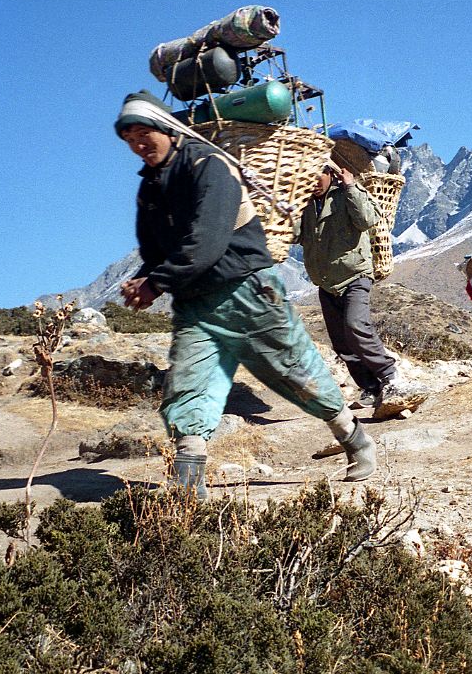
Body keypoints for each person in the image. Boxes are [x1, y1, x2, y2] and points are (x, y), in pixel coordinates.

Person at [113, 90, 375, 498]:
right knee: (187, 386)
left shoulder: (209, 165)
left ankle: (354, 439)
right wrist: (148, 278)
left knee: (295, 372)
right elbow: (154, 250)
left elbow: (208, 239)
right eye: (130, 141)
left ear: (166, 127)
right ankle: (187, 493)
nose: (139, 146)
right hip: (195, 303)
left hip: (247, 291)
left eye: (144, 133)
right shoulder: (150, 188)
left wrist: (156, 281)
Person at [295, 162, 400, 410]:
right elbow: (295, 235)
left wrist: (351, 186)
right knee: (341, 341)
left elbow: (367, 219)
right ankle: (369, 387)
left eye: (316, 175)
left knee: (356, 325)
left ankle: (389, 374)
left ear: (331, 173)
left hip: (355, 275)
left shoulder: (349, 193)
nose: (312, 182)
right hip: (326, 282)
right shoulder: (307, 205)